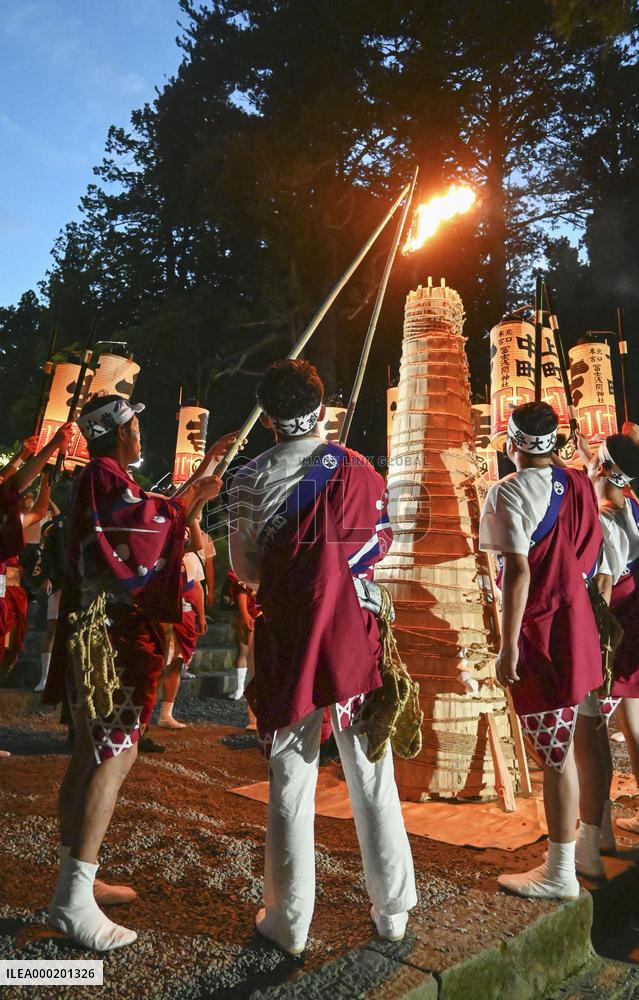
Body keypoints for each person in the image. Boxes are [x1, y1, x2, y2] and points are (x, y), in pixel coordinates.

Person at [228, 359, 416, 955]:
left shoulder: (246, 480)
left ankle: (290, 921)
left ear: (268, 418)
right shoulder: (359, 470)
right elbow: (381, 545)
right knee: (371, 771)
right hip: (352, 634)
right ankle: (394, 911)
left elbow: (245, 568)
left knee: (290, 778)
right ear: (322, 406)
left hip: (287, 637)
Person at [43, 394, 234, 952]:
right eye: (136, 423)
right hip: (113, 633)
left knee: (92, 751)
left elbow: (152, 519)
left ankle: (76, 874)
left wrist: (199, 482)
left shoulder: (108, 480)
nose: (140, 431)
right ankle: (71, 898)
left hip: (100, 627)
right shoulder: (104, 476)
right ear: (119, 431)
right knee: (115, 750)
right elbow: (145, 531)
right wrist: (195, 494)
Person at [479, 401, 610, 899]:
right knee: (575, 744)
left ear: (511, 444)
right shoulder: (578, 483)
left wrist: (508, 646)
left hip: (542, 630)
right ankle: (583, 848)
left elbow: (517, 571)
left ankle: (559, 872)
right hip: (577, 623)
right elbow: (592, 550)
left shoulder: (508, 492)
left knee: (554, 755)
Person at [580, 431, 639, 836]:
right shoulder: (631, 505)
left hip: (618, 623)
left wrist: (594, 639)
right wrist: (592, 460)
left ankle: (597, 831)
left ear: (601, 469)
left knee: (597, 725)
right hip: (635, 615)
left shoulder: (604, 518)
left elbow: (603, 583)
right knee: (633, 718)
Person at [0, 425, 73, 750]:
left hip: (7, 596)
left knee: (6, 653)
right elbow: (14, 482)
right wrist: (39, 452)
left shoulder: (12, 517)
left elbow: (39, 509)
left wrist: (46, 477)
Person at [158, 531, 207, 729]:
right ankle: (139, 719)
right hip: (164, 614)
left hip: (185, 614)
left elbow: (196, 587)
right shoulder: (161, 553)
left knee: (176, 663)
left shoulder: (192, 558)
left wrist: (201, 615)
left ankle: (165, 714)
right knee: (158, 665)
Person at [37, 509, 68, 692]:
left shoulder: (86, 520)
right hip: (59, 582)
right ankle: (45, 677)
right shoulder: (58, 527)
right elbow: (48, 553)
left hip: (79, 583)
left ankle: (66, 677)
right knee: (52, 628)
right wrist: (47, 576)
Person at [227, 569, 258, 700]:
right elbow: (241, 591)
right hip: (252, 614)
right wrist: (245, 613)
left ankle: (245, 689)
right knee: (245, 652)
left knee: (248, 654)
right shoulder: (242, 571)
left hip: (256, 613)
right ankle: (241, 688)